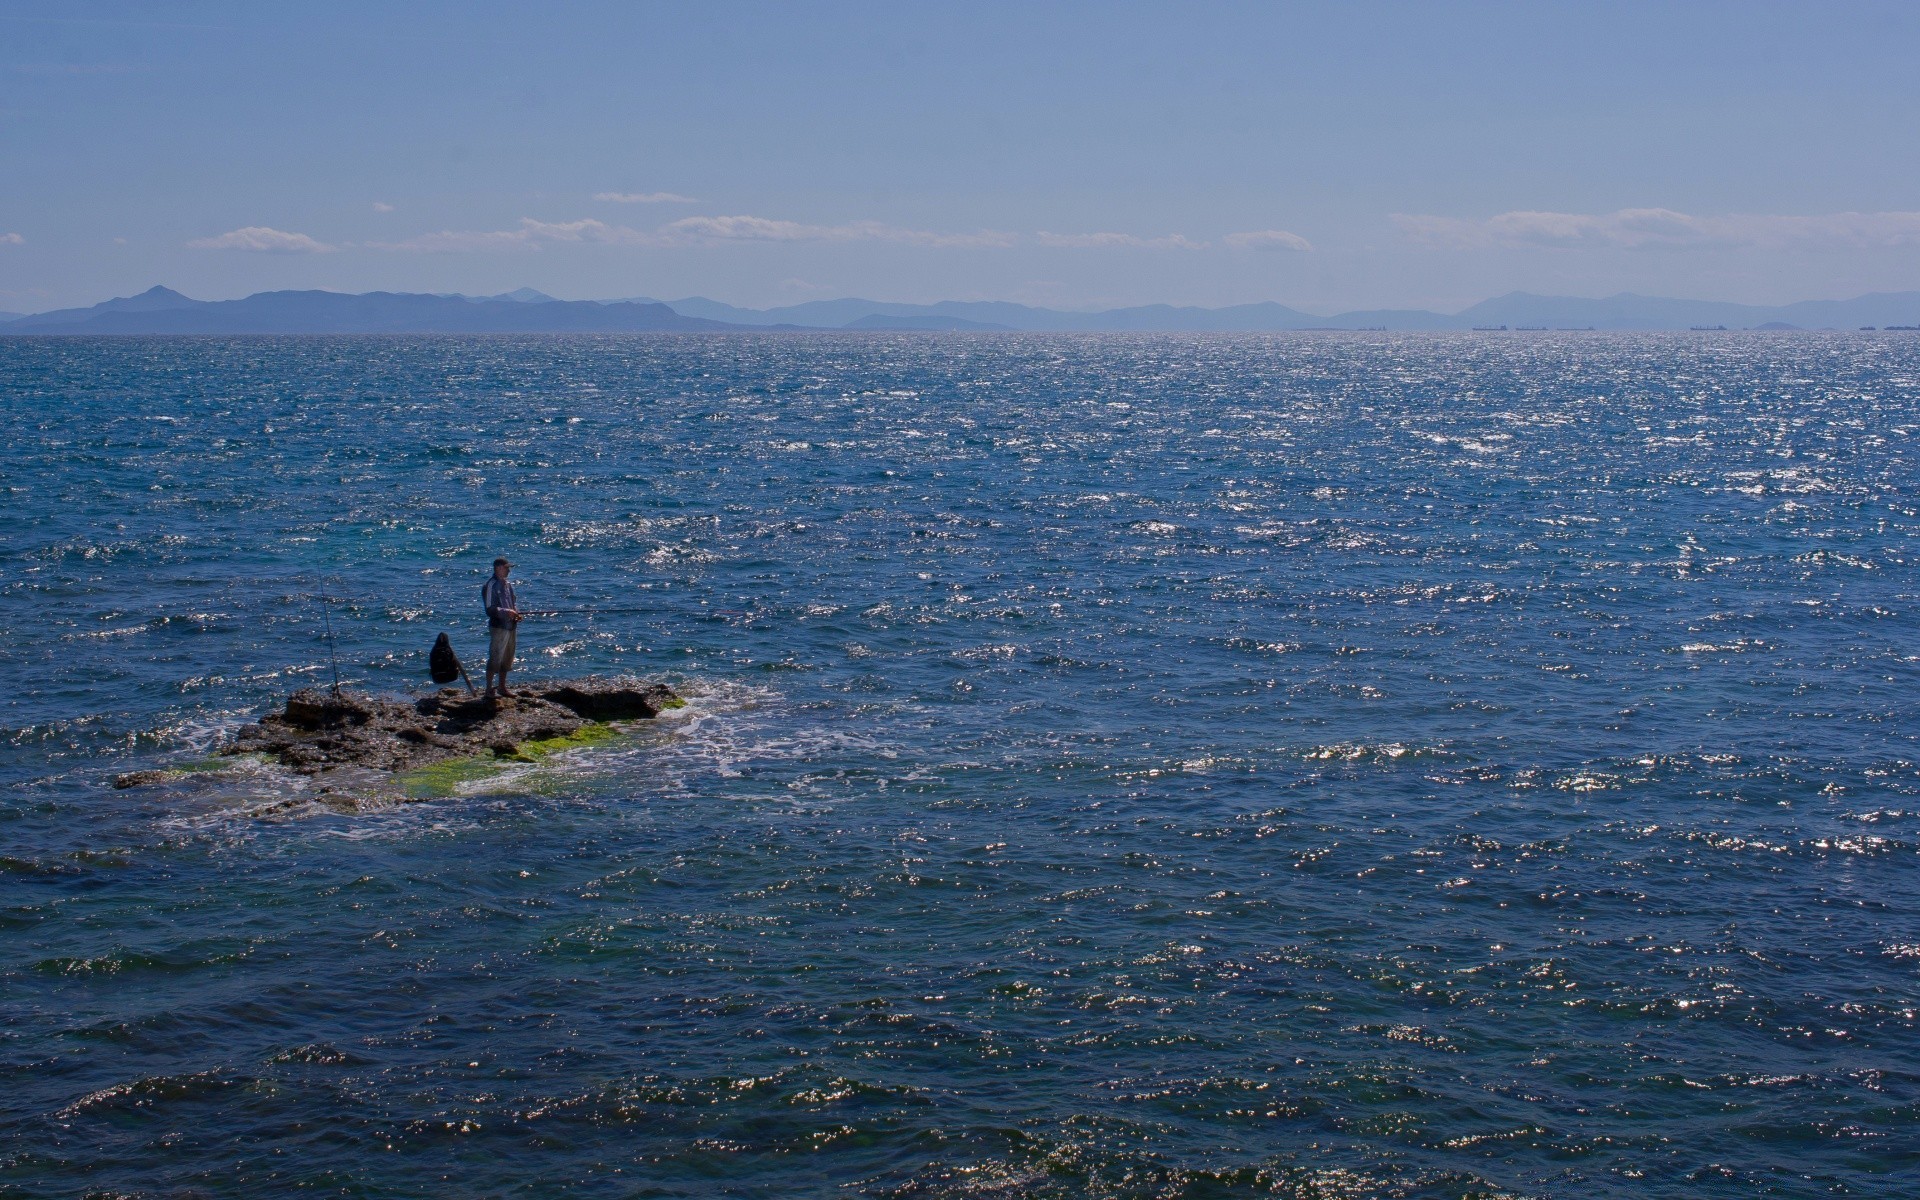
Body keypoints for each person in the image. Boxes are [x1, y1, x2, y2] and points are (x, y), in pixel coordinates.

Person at [481, 556, 522, 698]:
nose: (509, 571)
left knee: (507, 657)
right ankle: (488, 689)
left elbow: (513, 603)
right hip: (498, 627)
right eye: (506, 568)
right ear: (498, 568)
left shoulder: (508, 585)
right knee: (495, 657)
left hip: (511, 626)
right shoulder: (490, 585)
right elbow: (489, 609)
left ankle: (502, 687)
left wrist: (515, 613)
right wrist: (507, 612)